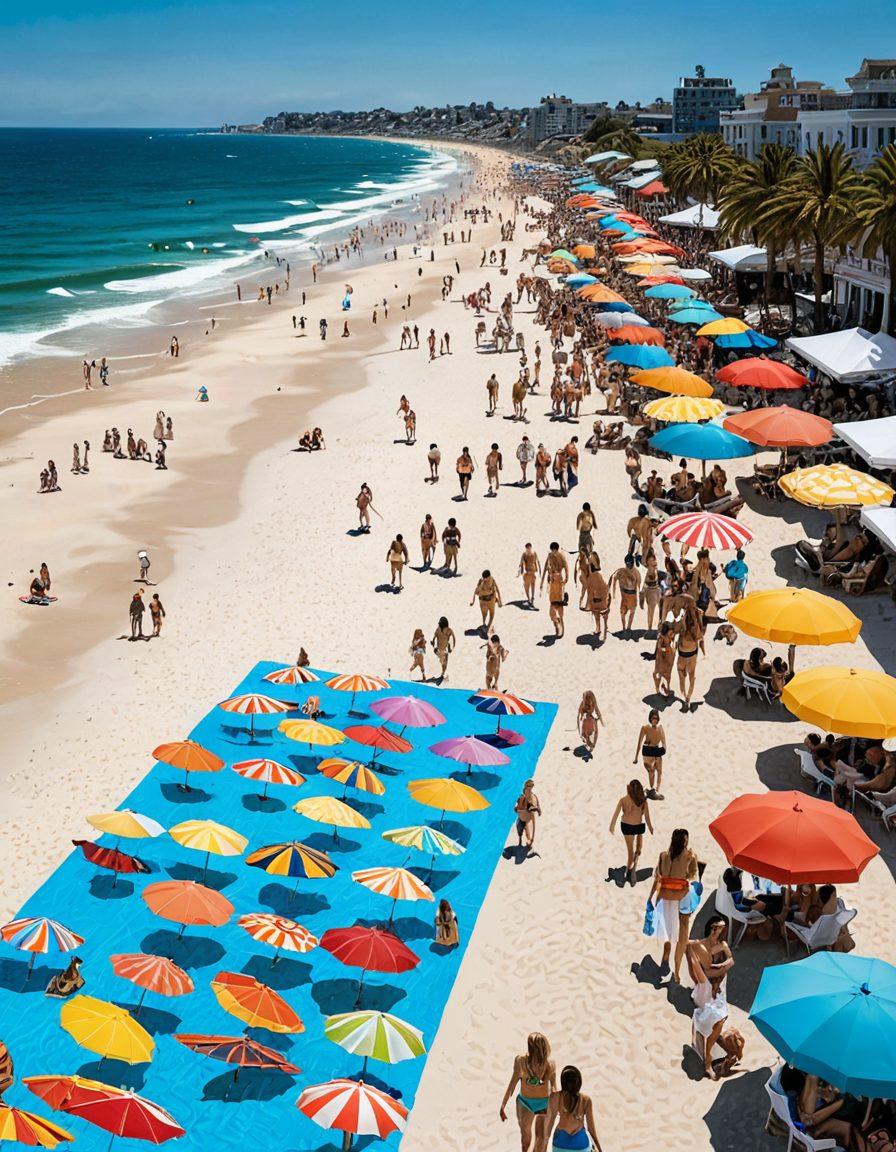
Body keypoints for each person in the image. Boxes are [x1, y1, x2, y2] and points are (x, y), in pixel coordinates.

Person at [687, 917, 737, 1080]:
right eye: (717, 928)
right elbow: (705, 973)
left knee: (720, 1019)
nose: (720, 931)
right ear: (711, 928)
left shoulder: (722, 945)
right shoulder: (699, 945)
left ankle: (712, 1056)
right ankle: (708, 1059)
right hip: (705, 988)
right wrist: (720, 969)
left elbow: (731, 961)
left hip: (718, 988)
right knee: (719, 1019)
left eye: (722, 928)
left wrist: (720, 967)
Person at [647, 827, 699, 983]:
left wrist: (650, 897)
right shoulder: (690, 856)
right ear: (685, 841)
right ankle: (676, 972)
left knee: (668, 931)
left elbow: (658, 877)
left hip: (663, 897)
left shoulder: (663, 856)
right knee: (682, 938)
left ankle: (665, 956)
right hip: (680, 898)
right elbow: (692, 874)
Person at [500, 1033, 556, 1152]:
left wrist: (558, 1106)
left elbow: (554, 1088)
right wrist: (503, 1104)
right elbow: (513, 1083)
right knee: (526, 1140)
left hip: (544, 1103)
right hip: (525, 1103)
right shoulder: (521, 1061)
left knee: (541, 1139)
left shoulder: (549, 1064)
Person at [538, 1065, 602, 1152]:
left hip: (560, 1143)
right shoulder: (586, 1100)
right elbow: (592, 1131)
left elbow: (548, 1125)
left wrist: (544, 1147)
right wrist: (600, 1149)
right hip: (580, 1144)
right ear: (578, 1082)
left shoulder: (555, 1097)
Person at [609, 780, 653, 885]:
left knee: (630, 851)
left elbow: (616, 814)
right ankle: (633, 865)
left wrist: (612, 826)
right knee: (638, 848)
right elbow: (647, 817)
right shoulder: (643, 801)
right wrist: (650, 828)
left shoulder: (623, 800)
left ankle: (627, 871)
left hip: (626, 826)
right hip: (638, 826)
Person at [675, 603, 705, 711]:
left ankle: (685, 698)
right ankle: (687, 698)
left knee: (682, 678)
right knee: (691, 678)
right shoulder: (695, 628)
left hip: (683, 656)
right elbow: (700, 635)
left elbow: (678, 628)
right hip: (690, 656)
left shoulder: (685, 628)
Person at [634, 710, 667, 800]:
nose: (655, 720)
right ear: (650, 718)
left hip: (656, 750)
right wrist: (636, 757)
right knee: (651, 771)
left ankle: (656, 790)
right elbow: (639, 743)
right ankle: (651, 789)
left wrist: (663, 749)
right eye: (653, 718)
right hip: (648, 751)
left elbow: (664, 742)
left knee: (659, 771)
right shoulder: (645, 728)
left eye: (656, 718)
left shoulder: (660, 728)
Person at [609, 555, 641, 634]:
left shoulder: (636, 572)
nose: (628, 564)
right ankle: (623, 628)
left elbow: (639, 585)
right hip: (624, 597)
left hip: (633, 596)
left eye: (629, 563)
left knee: (632, 612)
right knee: (622, 612)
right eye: (627, 563)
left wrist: (641, 596)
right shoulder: (621, 571)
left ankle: (629, 628)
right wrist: (613, 591)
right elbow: (614, 578)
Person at [472, 569, 502, 634]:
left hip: (491, 599)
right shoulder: (481, 581)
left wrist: (500, 600)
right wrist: (481, 584)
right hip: (483, 600)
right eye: (483, 578)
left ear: (489, 576)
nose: (484, 579)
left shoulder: (492, 580)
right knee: (484, 614)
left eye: (485, 578)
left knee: (492, 613)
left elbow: (497, 589)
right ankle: (484, 624)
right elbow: (477, 591)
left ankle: (488, 627)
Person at [514, 779, 541, 850]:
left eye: (530, 788)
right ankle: (521, 841)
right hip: (523, 815)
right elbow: (517, 806)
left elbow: (532, 802)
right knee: (520, 828)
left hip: (526, 815)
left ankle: (529, 841)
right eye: (528, 788)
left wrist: (537, 808)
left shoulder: (529, 795)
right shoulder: (523, 796)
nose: (529, 790)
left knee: (526, 828)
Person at [576, 690, 603, 758]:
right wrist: (599, 720)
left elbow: (579, 715)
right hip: (589, 721)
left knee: (587, 735)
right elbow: (598, 713)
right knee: (588, 735)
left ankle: (590, 746)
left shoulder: (585, 703)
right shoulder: (591, 703)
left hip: (588, 722)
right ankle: (591, 746)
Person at [432, 616, 456, 682]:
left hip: (440, 650)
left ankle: (443, 675)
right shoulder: (449, 630)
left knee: (443, 663)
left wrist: (434, 647)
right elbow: (453, 640)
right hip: (444, 650)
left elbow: (434, 639)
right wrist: (451, 648)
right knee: (444, 663)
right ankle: (443, 676)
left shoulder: (438, 629)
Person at [518, 543, 541, 608]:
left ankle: (532, 598)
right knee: (527, 587)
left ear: (531, 547)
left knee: (532, 586)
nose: (528, 548)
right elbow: (521, 563)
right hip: (527, 572)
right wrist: (521, 571)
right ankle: (529, 599)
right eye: (527, 547)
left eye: (529, 547)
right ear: (526, 548)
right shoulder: (524, 554)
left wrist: (538, 572)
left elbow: (537, 562)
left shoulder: (534, 553)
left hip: (532, 572)